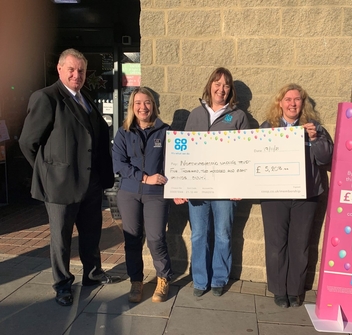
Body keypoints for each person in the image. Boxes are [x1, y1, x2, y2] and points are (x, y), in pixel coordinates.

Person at [19, 48, 120, 307]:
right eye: (72, 69)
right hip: (60, 185)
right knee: (61, 239)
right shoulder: (47, 98)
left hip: (90, 183)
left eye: (82, 70)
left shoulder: (85, 98)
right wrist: (48, 172)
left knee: (90, 233)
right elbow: (28, 142)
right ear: (60, 69)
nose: (77, 75)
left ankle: (92, 273)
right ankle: (62, 284)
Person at [174, 67, 250, 297]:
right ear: (210, 86)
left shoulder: (238, 116)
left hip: (225, 189)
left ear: (231, 90)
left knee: (223, 234)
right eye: (217, 84)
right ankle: (200, 280)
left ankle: (219, 279)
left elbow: (247, 154)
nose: (221, 89)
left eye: (226, 85)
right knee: (198, 234)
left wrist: (240, 185)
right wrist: (181, 186)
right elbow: (183, 152)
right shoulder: (196, 114)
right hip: (198, 187)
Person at [260, 83, 333, 308]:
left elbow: (325, 159)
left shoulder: (314, 128)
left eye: (297, 99)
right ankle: (279, 290)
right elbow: (255, 160)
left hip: (306, 196)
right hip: (274, 196)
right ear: (280, 103)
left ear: (303, 104)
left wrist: (315, 139)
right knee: (276, 244)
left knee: (300, 245)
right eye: (288, 99)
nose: (293, 103)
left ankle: (295, 290)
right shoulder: (267, 128)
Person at [112, 87, 172, 303]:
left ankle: (163, 278)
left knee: (156, 239)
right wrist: (144, 177)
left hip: (156, 195)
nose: (142, 107)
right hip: (129, 193)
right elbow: (118, 163)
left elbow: (174, 163)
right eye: (138, 103)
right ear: (132, 107)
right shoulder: (124, 132)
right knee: (132, 239)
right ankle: (136, 281)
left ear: (153, 105)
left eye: (147, 102)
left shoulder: (165, 131)